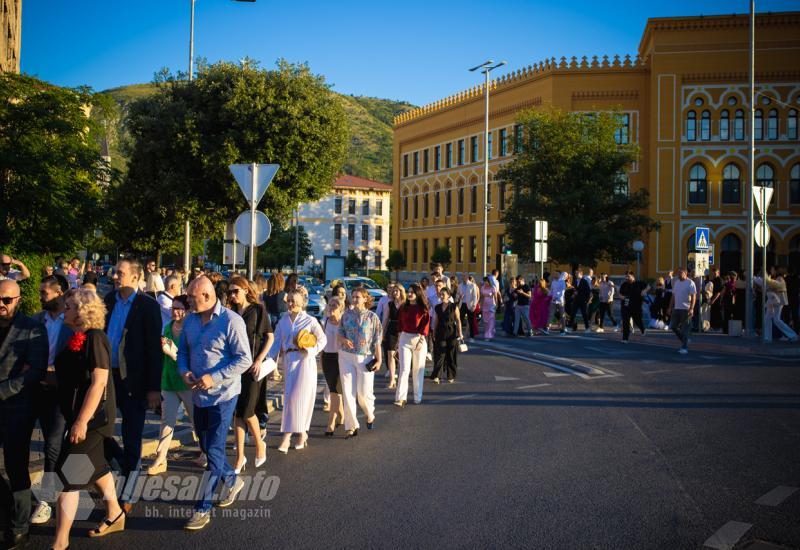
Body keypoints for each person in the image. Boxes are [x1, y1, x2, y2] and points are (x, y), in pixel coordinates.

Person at [178, 276, 253, 530]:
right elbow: (183, 352)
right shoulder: (189, 320)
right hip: (198, 396)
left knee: (214, 450)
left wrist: (215, 377)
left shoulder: (231, 321)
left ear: (208, 296)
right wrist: (184, 371)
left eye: (191, 297)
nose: (187, 301)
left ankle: (203, 508)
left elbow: (244, 359)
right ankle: (232, 480)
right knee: (206, 445)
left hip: (224, 396)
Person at [51, 289, 123, 549]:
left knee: (65, 478)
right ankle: (114, 513)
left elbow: (99, 382)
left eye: (69, 306)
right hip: (80, 417)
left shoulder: (95, 337)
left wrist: (81, 421)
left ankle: (60, 542)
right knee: (97, 466)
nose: (64, 310)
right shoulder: (78, 337)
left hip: (92, 420)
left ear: (82, 311)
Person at [103, 258, 162, 512]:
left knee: (132, 435)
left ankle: (128, 492)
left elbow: (153, 350)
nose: (115, 276)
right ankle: (120, 463)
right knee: (100, 431)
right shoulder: (108, 300)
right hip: (106, 377)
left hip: (134, 380)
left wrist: (153, 388)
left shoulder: (147, 306)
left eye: (120, 273)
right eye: (115, 272)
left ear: (136, 278)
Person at [0, 280, 47, 550]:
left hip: (18, 407)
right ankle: (19, 505)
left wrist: (5, 388)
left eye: (7, 300)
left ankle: (19, 528)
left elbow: (35, 372)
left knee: (16, 466)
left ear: (18, 300)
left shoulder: (32, 328)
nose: (1, 305)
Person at [29, 276, 72, 526]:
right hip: (37, 387)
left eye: (44, 293)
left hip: (62, 391)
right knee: (46, 441)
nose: (40, 297)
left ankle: (45, 500)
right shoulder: (36, 320)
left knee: (53, 445)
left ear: (59, 294)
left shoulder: (71, 321)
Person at [146, 295, 203, 475]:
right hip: (168, 381)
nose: (175, 312)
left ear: (188, 310)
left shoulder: (192, 330)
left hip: (187, 383)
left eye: (179, 308)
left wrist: (173, 352)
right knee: (167, 421)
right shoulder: (168, 327)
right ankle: (161, 458)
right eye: (173, 308)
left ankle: (206, 452)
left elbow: (193, 358)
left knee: (196, 421)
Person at [267, 288, 326, 453]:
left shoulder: (310, 321)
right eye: (289, 300)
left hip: (304, 361)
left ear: (301, 303)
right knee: (290, 399)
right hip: (288, 361)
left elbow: (322, 340)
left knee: (298, 399)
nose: (290, 304)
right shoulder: (283, 321)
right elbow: (276, 343)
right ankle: (302, 433)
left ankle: (287, 436)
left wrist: (310, 351)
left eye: (293, 301)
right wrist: (270, 364)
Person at [226, 275, 272, 474]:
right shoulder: (230, 312)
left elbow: (269, 337)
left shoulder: (258, 309)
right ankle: (239, 458)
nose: (233, 295)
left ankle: (260, 445)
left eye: (236, 291)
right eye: (230, 292)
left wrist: (259, 359)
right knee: (237, 413)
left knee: (247, 410)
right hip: (235, 367)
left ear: (246, 289)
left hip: (253, 367)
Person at [337, 288, 382, 436]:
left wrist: (379, 359)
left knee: (363, 393)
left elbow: (377, 341)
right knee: (348, 392)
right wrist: (344, 340)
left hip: (365, 357)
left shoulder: (372, 317)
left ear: (365, 299)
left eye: (358, 297)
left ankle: (370, 414)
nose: (355, 299)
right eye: (353, 297)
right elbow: (340, 332)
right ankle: (351, 425)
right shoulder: (346, 315)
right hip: (346, 356)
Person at [394, 284, 429, 407]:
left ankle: (417, 397)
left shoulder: (423, 308)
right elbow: (399, 325)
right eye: (408, 292)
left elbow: (425, 325)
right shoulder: (403, 307)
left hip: (418, 339)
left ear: (417, 294)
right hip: (404, 338)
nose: (409, 294)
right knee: (403, 369)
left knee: (417, 370)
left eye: (412, 292)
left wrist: (421, 340)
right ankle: (400, 398)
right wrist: (398, 341)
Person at [321, 297, 345, 435]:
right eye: (330, 304)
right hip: (327, 358)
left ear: (341, 307)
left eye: (335, 305)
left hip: (341, 358)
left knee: (335, 391)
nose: (331, 307)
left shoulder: (344, 322)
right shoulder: (324, 322)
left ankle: (331, 421)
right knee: (333, 390)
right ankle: (341, 415)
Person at [430, 286, 462, 384]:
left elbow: (458, 320)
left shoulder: (454, 306)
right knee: (440, 354)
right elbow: (436, 321)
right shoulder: (437, 307)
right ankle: (437, 376)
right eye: (441, 294)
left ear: (448, 295)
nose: (442, 295)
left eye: (443, 294)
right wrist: (434, 332)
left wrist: (460, 333)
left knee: (451, 354)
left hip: (452, 332)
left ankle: (450, 376)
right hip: (440, 332)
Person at [667, 267, 697, 354]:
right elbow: (673, 296)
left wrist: (691, 308)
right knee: (673, 326)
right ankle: (685, 340)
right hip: (677, 308)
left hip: (686, 309)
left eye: (680, 273)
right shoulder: (676, 282)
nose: (678, 275)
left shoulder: (690, 283)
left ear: (685, 273)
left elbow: (693, 297)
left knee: (685, 329)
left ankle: (684, 347)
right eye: (678, 273)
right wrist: (670, 307)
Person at [382, 284, 405, 390]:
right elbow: (386, 318)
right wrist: (382, 332)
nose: (395, 293)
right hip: (392, 329)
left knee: (402, 356)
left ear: (401, 291)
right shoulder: (389, 304)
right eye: (393, 291)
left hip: (404, 330)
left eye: (397, 291)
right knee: (390, 354)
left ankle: (401, 378)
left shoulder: (406, 304)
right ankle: (392, 380)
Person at [764, 274, 798, 342]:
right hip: (772, 301)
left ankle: (793, 335)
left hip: (778, 301)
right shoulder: (771, 279)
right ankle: (767, 337)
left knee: (776, 319)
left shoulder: (779, 278)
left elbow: (778, 285)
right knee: (767, 318)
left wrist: (769, 280)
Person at [619, 271, 648, 343]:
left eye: (628, 276)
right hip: (626, 306)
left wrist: (644, 291)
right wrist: (622, 297)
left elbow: (648, 286)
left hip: (636, 306)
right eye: (626, 276)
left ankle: (642, 329)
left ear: (632, 276)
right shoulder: (624, 285)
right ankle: (625, 338)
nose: (626, 278)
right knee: (625, 321)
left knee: (637, 320)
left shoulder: (638, 283)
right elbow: (620, 294)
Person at [458, 274, 480, 341]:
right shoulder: (460, 285)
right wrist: (459, 297)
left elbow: (475, 297)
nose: (462, 277)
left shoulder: (472, 285)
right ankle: (460, 335)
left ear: (467, 277)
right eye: (462, 276)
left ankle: (471, 337)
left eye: (464, 276)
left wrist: (474, 305)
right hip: (462, 304)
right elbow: (457, 294)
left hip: (470, 305)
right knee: (460, 320)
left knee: (471, 321)